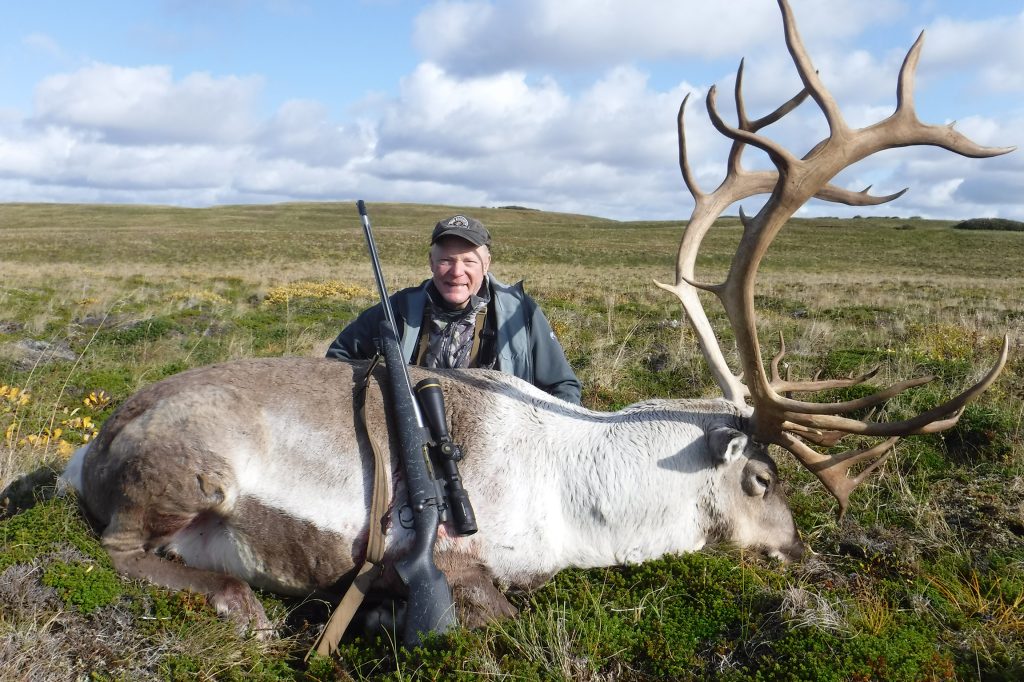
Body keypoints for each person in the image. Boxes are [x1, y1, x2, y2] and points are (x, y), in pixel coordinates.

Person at [326, 214, 582, 404]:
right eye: (446, 260)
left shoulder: (520, 314)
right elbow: (338, 360)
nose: (456, 272)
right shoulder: (398, 308)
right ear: (431, 262)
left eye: (469, 261)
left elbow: (563, 387)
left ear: (486, 264)